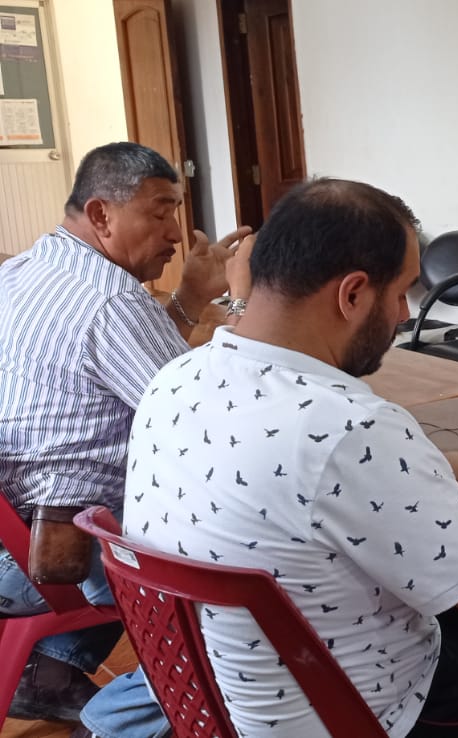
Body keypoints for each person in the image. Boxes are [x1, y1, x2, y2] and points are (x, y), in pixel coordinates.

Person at [122, 178, 458, 737]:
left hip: (218, 703)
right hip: (357, 718)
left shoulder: (176, 378)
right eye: (401, 293)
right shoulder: (348, 425)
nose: (402, 314)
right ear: (352, 294)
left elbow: (323, 485)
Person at [0, 141, 249, 732]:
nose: (175, 233)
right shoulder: (111, 300)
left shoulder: (23, 269)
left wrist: (191, 298)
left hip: (16, 531)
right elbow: (215, 422)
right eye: (160, 212)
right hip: (47, 558)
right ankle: (117, 722)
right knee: (248, 594)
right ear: (102, 214)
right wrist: (242, 302)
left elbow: (138, 367)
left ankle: (51, 670)